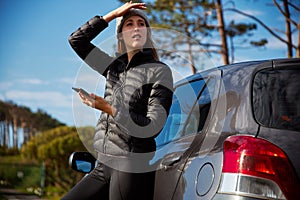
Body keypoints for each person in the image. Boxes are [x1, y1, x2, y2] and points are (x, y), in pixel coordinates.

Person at [62, 1, 173, 200]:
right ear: (121, 34)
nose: (136, 27)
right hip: (103, 164)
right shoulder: (113, 67)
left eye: (141, 23)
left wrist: (111, 109)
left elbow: (154, 126)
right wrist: (113, 15)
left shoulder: (159, 71)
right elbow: (76, 40)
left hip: (130, 163)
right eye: (129, 24)